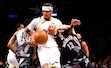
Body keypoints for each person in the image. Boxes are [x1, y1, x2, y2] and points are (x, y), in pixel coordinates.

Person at [23, 2, 81, 68]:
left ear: (51, 12)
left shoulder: (56, 22)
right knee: (46, 66)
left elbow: (66, 31)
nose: (45, 13)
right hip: (42, 49)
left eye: (47, 11)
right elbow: (26, 30)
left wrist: (72, 26)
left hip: (54, 48)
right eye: (44, 11)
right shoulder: (36, 21)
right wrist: (27, 40)